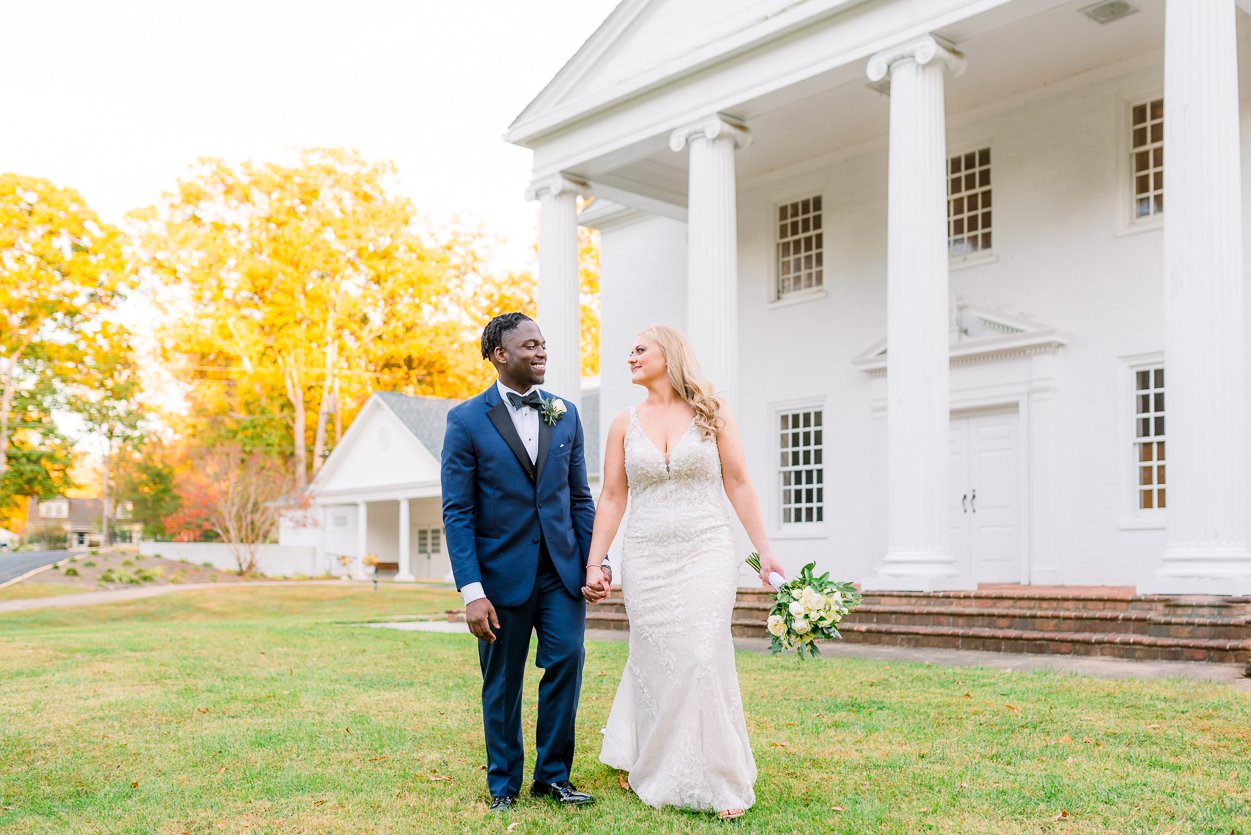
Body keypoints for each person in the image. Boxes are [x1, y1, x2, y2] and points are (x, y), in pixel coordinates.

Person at [581, 324, 786, 821]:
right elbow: (612, 496)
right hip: (647, 554)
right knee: (653, 657)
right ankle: (645, 755)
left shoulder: (712, 413)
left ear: (668, 355)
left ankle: (719, 777)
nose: (629, 357)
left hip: (706, 549)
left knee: (699, 655)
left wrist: (765, 552)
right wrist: (595, 560)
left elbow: (738, 483)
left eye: (639, 349)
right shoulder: (622, 423)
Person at [441, 312, 599, 813]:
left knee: (567, 661)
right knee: (503, 682)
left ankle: (553, 777)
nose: (541, 352)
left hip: (561, 570)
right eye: (529, 345)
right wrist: (472, 590)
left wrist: (597, 561)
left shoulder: (566, 412)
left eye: (543, 344)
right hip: (498, 577)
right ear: (499, 354)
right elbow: (457, 511)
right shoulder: (465, 420)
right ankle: (503, 785)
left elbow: (580, 498)